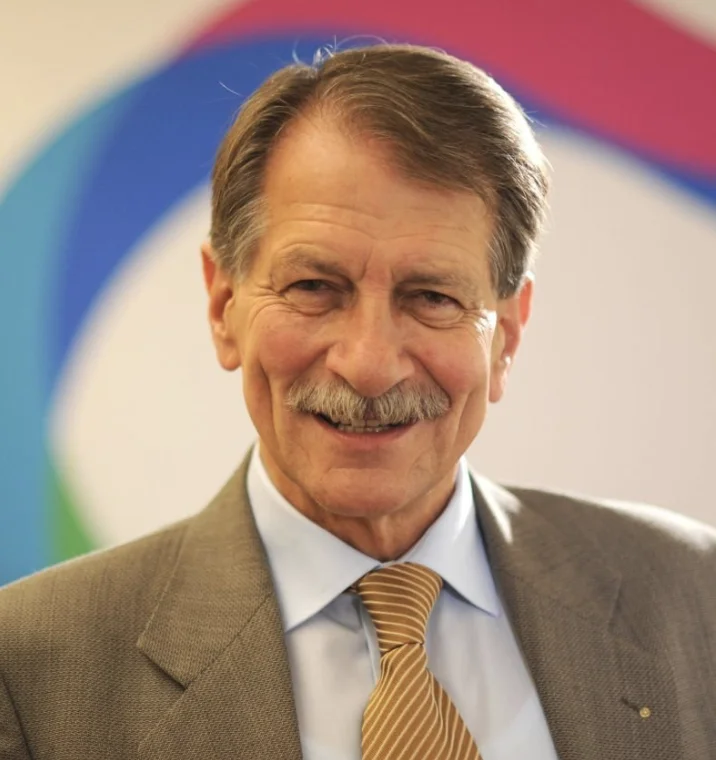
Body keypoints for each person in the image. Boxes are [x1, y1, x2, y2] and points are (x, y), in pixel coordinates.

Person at [0, 43, 714, 760]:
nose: (370, 365)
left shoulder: (694, 597)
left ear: (507, 335)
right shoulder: (31, 667)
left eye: (432, 297)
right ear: (223, 306)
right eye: (314, 288)